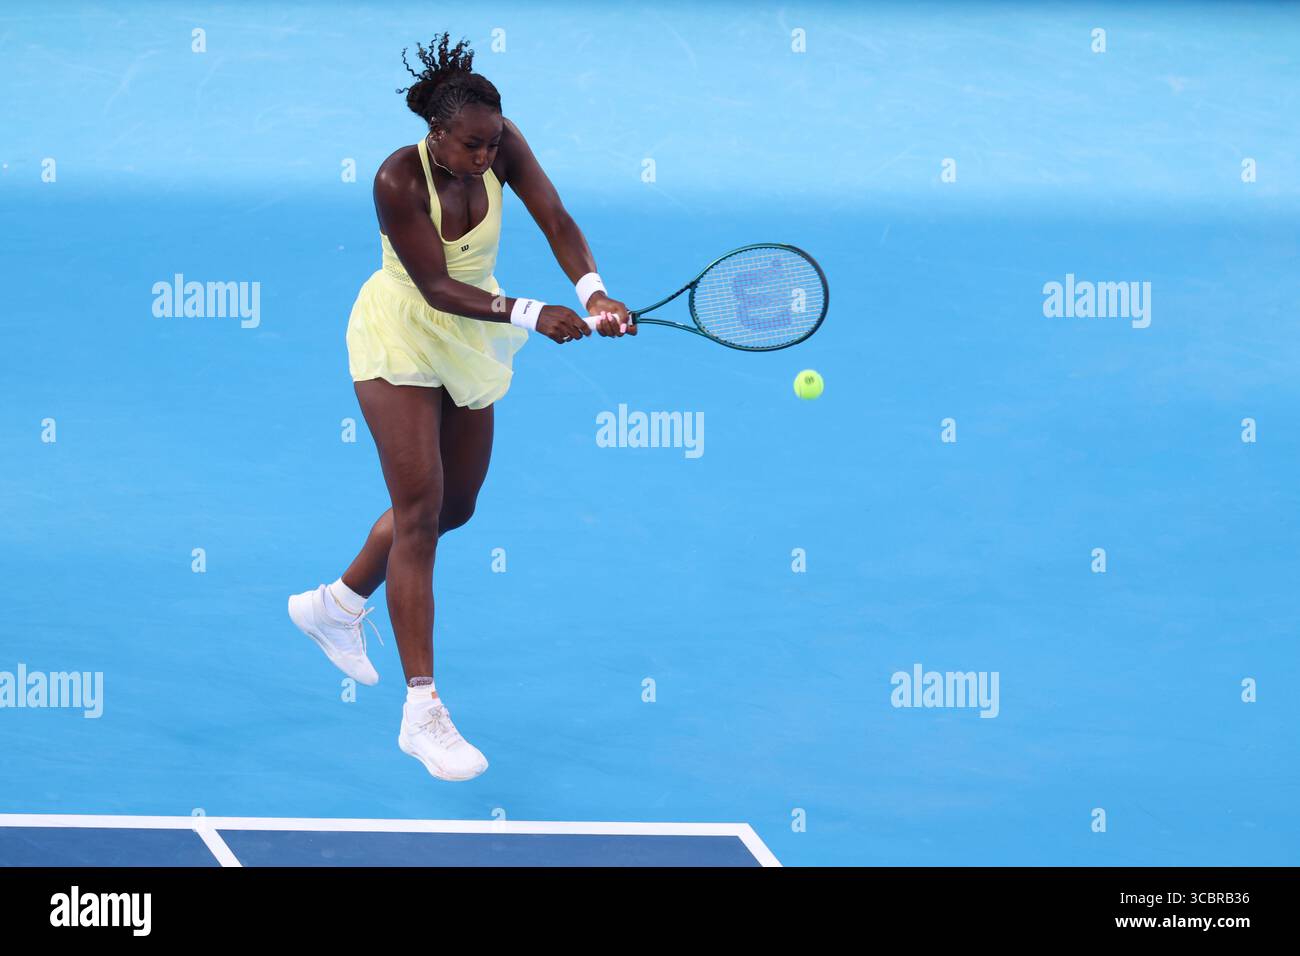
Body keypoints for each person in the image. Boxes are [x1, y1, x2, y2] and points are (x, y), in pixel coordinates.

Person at [288, 34, 634, 781]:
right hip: (401, 334)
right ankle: (423, 710)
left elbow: (556, 219)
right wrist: (533, 312)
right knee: (420, 508)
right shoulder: (394, 181)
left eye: (491, 143)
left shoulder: (502, 144)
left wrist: (590, 291)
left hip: (471, 336)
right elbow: (438, 288)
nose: (485, 156)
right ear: (435, 134)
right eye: (471, 145)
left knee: (457, 506)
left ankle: (337, 605)